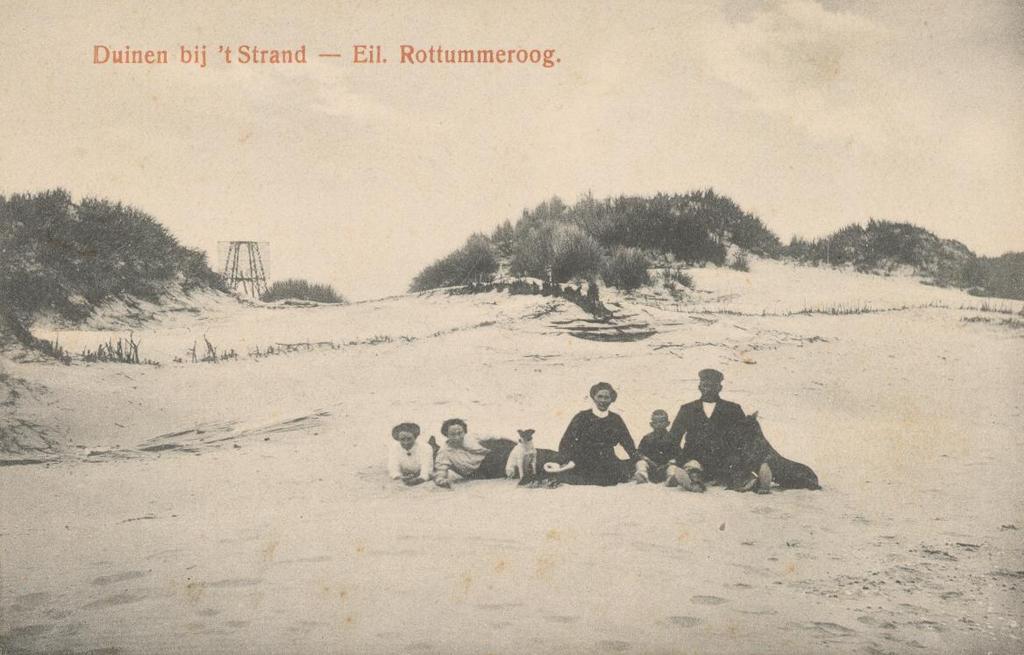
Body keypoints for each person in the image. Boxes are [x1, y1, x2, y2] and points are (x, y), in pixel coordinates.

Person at [668, 369, 820, 493]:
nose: (707, 389)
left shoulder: (733, 409)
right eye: (704, 385)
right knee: (693, 466)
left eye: (711, 386)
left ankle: (756, 482)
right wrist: (681, 459)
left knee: (736, 470)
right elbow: (674, 438)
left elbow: (743, 439)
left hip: (723, 459)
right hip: (696, 456)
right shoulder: (687, 409)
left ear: (719, 388)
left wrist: (749, 427)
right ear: (699, 387)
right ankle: (692, 480)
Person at [546, 382, 639, 486]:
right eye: (600, 397)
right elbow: (566, 441)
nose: (603, 401)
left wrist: (637, 459)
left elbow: (627, 442)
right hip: (583, 460)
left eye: (606, 397)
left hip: (608, 461)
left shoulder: (615, 419)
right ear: (593, 397)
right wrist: (561, 461)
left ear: (611, 399)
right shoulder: (581, 417)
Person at [433, 418, 517, 488]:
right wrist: (441, 481)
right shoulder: (444, 452)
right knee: (508, 459)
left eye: (460, 433)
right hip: (479, 472)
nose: (457, 437)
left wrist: (516, 443)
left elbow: (496, 437)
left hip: (490, 459)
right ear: (446, 435)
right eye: (452, 434)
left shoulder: (471, 436)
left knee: (507, 447)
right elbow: (440, 470)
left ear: (464, 432)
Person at [633, 409, 684, 485]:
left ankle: (671, 478)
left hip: (666, 466)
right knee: (641, 463)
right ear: (651, 424)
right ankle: (642, 475)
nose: (659, 424)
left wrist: (672, 461)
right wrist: (646, 459)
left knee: (672, 468)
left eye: (662, 422)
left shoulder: (672, 438)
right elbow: (639, 452)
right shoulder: (647, 438)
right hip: (651, 467)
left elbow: (679, 454)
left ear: (668, 423)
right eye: (656, 422)